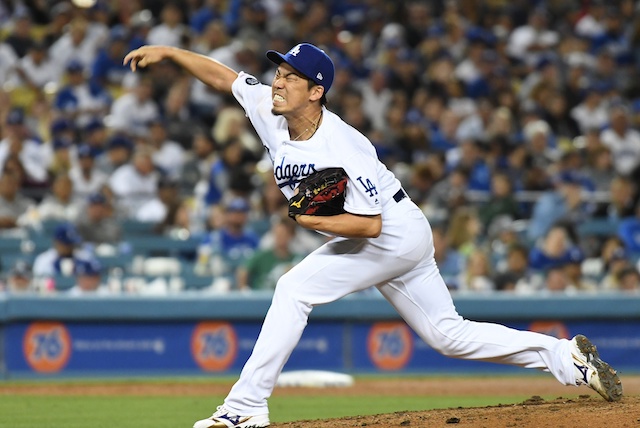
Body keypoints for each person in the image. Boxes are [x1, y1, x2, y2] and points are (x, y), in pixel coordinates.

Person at [125, 42, 622, 428]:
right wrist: (170, 53)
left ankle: (244, 408)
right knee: (447, 335)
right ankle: (564, 357)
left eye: (290, 78)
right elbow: (227, 78)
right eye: (278, 73)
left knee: (293, 289)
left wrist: (314, 221)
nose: (277, 83)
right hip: (399, 233)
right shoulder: (270, 109)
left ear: (316, 91)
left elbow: (370, 226)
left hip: (391, 234)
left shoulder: (341, 145)